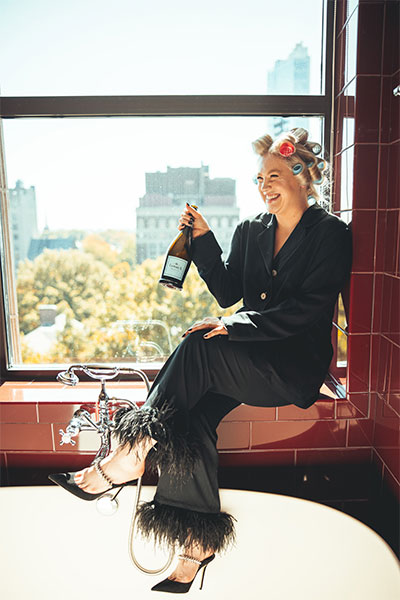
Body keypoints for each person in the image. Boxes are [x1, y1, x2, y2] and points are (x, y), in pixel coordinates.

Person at [49, 127, 352, 594]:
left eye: (274, 175)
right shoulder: (252, 230)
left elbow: (307, 309)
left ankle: (129, 453)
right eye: (258, 178)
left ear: (304, 175)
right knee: (184, 418)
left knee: (197, 345)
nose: (263, 185)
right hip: (249, 361)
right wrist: (205, 241)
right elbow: (230, 292)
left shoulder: (330, 234)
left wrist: (234, 327)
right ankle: (195, 545)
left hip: (292, 368)